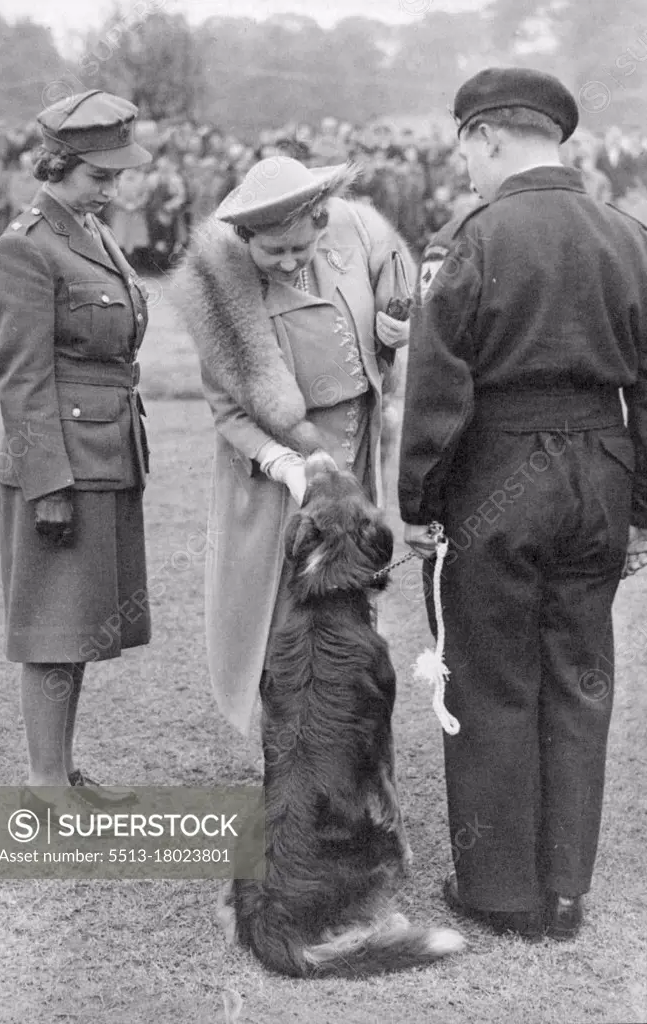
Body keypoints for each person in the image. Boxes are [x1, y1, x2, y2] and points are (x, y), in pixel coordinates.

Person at [398, 67, 647, 941]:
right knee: (578, 677)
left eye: (465, 146)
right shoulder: (629, 235)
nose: (464, 166)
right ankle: (564, 891)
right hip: (601, 474)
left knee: (495, 675)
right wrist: (640, 507)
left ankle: (500, 892)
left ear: (487, 137)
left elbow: (436, 388)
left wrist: (420, 499)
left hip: (499, 471)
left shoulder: (476, 237)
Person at [174, 155, 414, 735]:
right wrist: (285, 462)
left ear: (322, 222)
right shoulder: (220, 291)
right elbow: (229, 410)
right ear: (244, 238)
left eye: (299, 248)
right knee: (281, 612)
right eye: (271, 251)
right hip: (276, 476)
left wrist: (398, 333)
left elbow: (379, 323)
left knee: (350, 600)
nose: (287, 261)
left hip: (351, 463)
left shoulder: (353, 243)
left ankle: (345, 729)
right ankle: (292, 745)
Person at [0, 90, 152, 806]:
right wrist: (45, 482)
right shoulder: (25, 246)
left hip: (103, 452)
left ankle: (59, 772)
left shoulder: (88, 231)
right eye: (99, 175)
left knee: (80, 623)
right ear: (56, 166)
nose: (112, 188)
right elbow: (22, 379)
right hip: (62, 462)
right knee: (55, 626)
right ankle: (44, 785)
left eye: (116, 174)